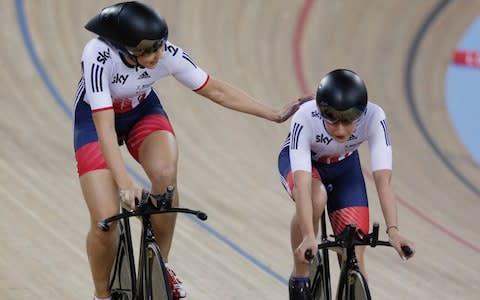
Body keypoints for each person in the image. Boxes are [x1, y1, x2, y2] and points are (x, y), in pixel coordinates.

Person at [73, 2, 304, 300]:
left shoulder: (166, 53)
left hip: (141, 112)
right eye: (149, 51)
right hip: (95, 121)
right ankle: (101, 294)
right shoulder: (97, 55)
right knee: (105, 223)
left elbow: (215, 89)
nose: (159, 55)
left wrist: (273, 113)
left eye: (160, 46)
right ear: (124, 48)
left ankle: (160, 266)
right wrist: (125, 184)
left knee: (166, 176)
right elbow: (104, 128)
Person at [277, 69, 416, 299]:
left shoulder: (375, 117)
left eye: (348, 121)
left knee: (354, 254)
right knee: (316, 197)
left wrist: (394, 232)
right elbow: (302, 186)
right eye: (332, 120)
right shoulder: (305, 116)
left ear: (361, 114)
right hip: (305, 165)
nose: (340, 130)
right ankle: (300, 274)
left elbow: (383, 182)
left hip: (344, 167)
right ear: (321, 111)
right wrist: (309, 237)